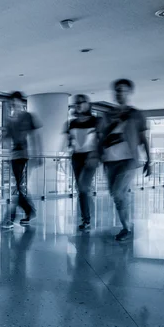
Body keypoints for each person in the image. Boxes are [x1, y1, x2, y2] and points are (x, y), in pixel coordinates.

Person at [100, 79, 151, 241]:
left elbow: (143, 138)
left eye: (123, 90)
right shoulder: (107, 115)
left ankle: (126, 228)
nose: (119, 93)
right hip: (110, 160)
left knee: (117, 192)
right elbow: (101, 137)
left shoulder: (136, 114)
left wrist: (149, 160)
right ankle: (125, 225)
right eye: (117, 90)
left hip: (129, 160)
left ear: (129, 93)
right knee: (116, 194)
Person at [1, 91, 42, 229]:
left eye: (16, 101)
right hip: (14, 156)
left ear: (20, 102)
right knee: (19, 186)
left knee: (19, 187)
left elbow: (35, 136)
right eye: (12, 102)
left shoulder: (27, 116)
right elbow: (6, 138)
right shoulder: (10, 120)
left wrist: (38, 154)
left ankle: (11, 217)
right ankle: (29, 211)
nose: (14, 104)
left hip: (25, 156)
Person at [64, 94, 101, 231]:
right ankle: (86, 220)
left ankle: (87, 220)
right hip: (77, 157)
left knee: (83, 187)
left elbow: (101, 140)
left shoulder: (95, 121)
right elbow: (70, 139)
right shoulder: (72, 122)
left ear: (88, 104)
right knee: (81, 189)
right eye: (76, 102)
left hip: (90, 156)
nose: (78, 104)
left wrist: (96, 155)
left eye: (82, 102)